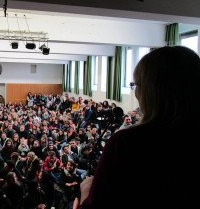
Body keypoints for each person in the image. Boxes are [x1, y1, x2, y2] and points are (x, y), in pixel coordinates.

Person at [79, 46, 200, 208]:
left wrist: (86, 191)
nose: (135, 93)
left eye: (136, 85)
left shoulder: (127, 143)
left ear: (151, 90)